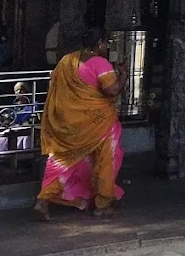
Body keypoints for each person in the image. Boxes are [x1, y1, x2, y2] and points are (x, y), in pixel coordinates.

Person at [34, 27, 126, 219]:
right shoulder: (100, 63)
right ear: (99, 43)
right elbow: (113, 90)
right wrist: (123, 75)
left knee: (60, 160)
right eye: (106, 43)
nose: (107, 46)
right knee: (105, 159)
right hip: (97, 123)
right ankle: (102, 204)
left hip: (66, 123)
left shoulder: (67, 60)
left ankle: (43, 200)